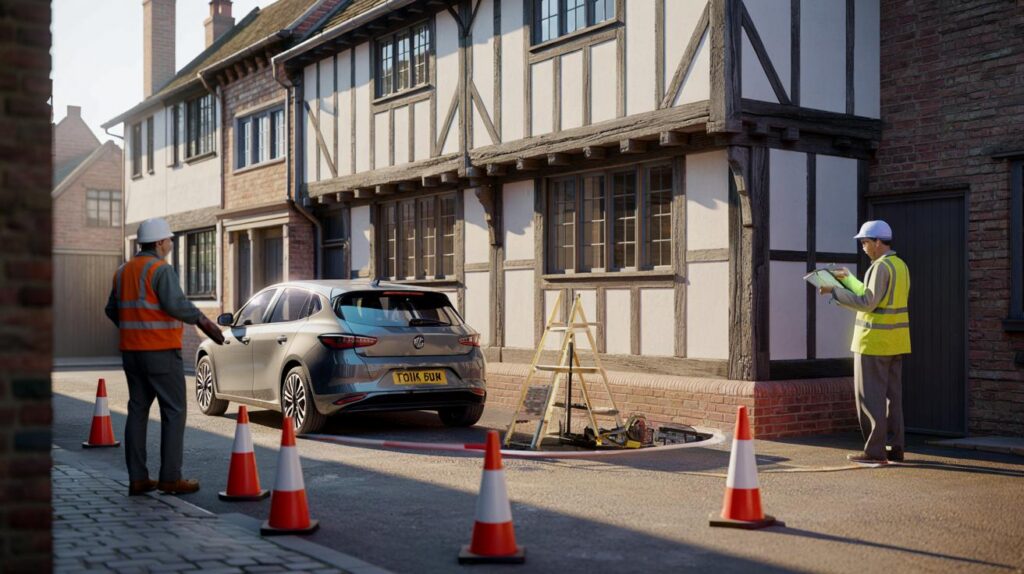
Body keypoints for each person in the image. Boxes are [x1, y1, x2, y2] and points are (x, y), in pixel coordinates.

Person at [105, 217, 225, 495]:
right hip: (160, 352)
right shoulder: (160, 269)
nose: (171, 243)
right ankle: (170, 478)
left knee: (138, 411)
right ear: (159, 242)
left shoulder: (122, 272)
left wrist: (134, 328)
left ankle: (138, 478)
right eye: (169, 239)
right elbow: (176, 305)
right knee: (174, 411)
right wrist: (205, 322)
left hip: (131, 354)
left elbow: (111, 310)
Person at [817, 220, 911, 465]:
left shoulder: (879, 267)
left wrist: (834, 291)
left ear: (878, 242)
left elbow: (868, 302)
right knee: (892, 399)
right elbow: (876, 297)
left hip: (872, 343)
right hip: (896, 342)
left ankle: (874, 452)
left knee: (870, 399)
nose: (863, 247)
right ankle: (895, 448)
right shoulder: (900, 265)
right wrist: (847, 280)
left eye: (865, 242)